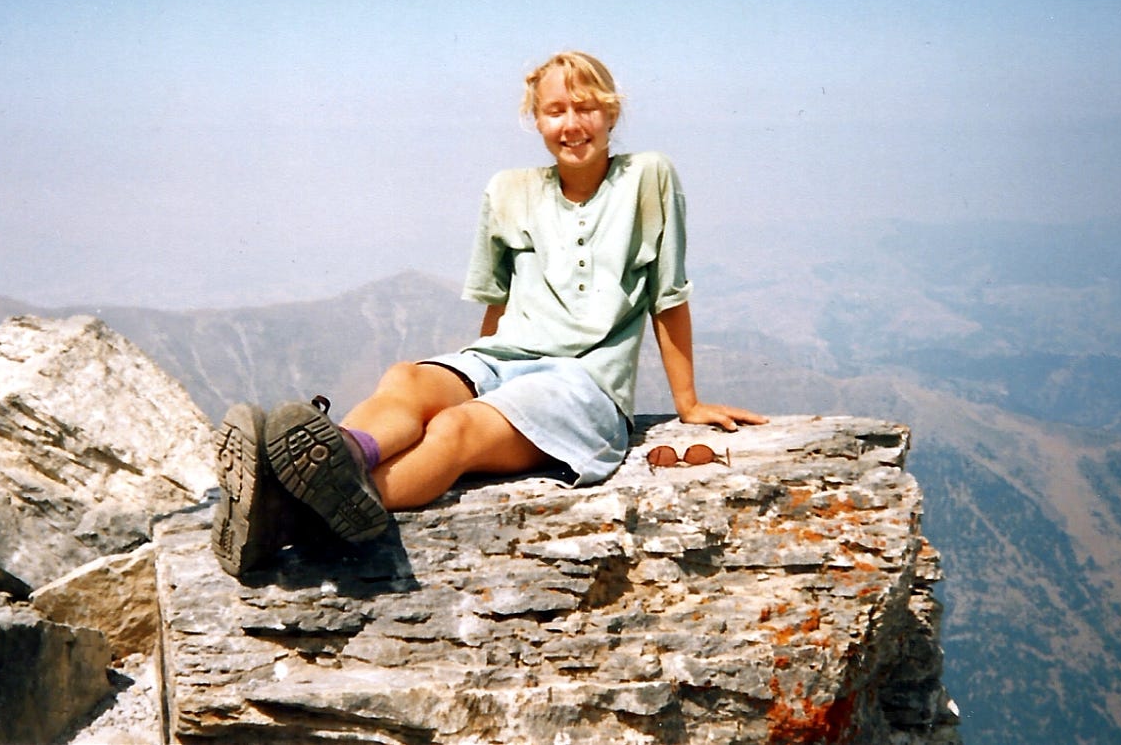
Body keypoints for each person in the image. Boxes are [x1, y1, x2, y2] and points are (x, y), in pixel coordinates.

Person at [212, 51, 767, 576]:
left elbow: (667, 295)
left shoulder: (649, 176)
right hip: (503, 360)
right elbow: (497, 303)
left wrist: (686, 403)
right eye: (556, 111)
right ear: (537, 120)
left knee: (455, 428)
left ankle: (287, 515)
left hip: (584, 386)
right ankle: (345, 454)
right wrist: (469, 377)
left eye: (586, 107)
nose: (572, 124)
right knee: (407, 378)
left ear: (611, 112)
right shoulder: (508, 191)